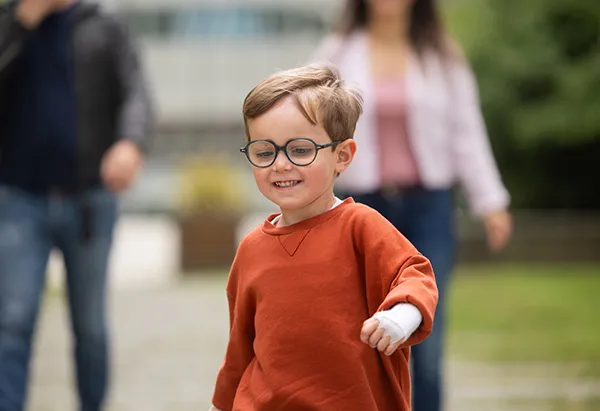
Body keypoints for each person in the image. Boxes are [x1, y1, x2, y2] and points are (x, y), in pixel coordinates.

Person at [310, 1, 513, 410]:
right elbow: (314, 128)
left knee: (426, 336)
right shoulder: (336, 53)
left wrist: (490, 202)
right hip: (361, 208)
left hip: (429, 208)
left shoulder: (441, 55)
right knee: (363, 334)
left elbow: (466, 132)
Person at [209, 64, 438, 411]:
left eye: (300, 150)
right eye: (264, 152)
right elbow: (240, 346)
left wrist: (400, 316)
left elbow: (415, 274)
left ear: (341, 156)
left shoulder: (360, 226)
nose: (281, 164)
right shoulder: (251, 248)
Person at [0, 0, 154, 410]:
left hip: (89, 198)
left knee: (89, 327)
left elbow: (136, 94)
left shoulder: (104, 21)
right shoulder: (8, 20)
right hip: (17, 198)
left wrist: (129, 143)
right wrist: (21, 23)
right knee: (11, 322)